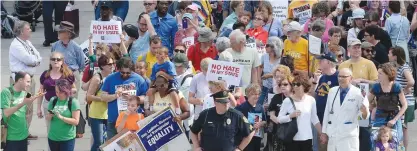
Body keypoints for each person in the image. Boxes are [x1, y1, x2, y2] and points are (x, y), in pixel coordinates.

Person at [338, 39, 377, 151]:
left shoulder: (369, 64)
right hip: (347, 105)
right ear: (348, 49)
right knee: (348, 134)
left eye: (358, 47)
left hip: (364, 104)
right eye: (354, 47)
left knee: (364, 134)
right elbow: (339, 83)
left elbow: (376, 83)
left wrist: (363, 81)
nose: (357, 49)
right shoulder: (343, 65)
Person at [321, 68, 370, 151]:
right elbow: (327, 112)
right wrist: (324, 132)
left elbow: (364, 118)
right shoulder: (332, 91)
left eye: (344, 77)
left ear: (351, 78)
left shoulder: (359, 93)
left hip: (348, 136)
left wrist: (365, 112)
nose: (340, 79)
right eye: (339, 76)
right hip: (333, 135)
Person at [100, 57, 149, 140]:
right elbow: (102, 97)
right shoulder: (110, 79)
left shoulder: (139, 80)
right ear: (118, 69)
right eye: (122, 72)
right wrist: (115, 96)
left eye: (128, 73)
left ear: (132, 70)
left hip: (133, 121)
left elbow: (146, 98)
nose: (125, 75)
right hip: (114, 120)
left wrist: (135, 98)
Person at [190, 90, 255, 151]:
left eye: (227, 101)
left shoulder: (236, 115)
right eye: (223, 102)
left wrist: (240, 149)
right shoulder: (205, 114)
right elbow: (193, 131)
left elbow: (251, 132)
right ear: (215, 102)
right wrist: (197, 147)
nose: (226, 104)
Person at [9, 21, 42, 140]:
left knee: (28, 107)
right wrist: (35, 61)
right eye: (28, 29)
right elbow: (29, 60)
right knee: (19, 107)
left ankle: (25, 132)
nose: (31, 30)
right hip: (20, 81)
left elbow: (38, 56)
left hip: (29, 79)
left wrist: (35, 61)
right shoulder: (16, 45)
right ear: (21, 31)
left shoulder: (27, 42)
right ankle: (19, 134)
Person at [277, 72, 322, 151]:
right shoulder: (287, 101)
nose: (295, 86)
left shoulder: (311, 100)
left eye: (298, 84)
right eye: (293, 84)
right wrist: (290, 116)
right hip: (292, 139)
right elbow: (279, 119)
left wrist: (322, 133)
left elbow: (314, 119)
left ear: (304, 86)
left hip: (307, 138)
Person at [1, 72, 45, 151]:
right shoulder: (6, 92)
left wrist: (34, 98)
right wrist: (23, 103)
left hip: (23, 136)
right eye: (28, 81)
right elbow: (6, 113)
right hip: (11, 137)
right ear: (20, 80)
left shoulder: (25, 93)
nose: (29, 84)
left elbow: (27, 107)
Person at [368, 63, 408, 147]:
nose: (377, 75)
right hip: (379, 117)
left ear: (387, 74)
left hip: (394, 117)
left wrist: (395, 119)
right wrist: (371, 107)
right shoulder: (376, 87)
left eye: (380, 73)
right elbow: (366, 101)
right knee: (376, 141)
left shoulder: (396, 86)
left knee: (394, 142)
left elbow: (404, 105)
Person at [36, 52, 76, 138]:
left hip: (63, 105)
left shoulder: (67, 74)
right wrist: (38, 108)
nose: (56, 61)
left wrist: (70, 92)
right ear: (50, 61)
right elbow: (41, 91)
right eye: (53, 59)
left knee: (63, 126)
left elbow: (74, 88)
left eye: (58, 59)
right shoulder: (45, 74)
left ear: (62, 61)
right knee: (50, 128)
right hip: (48, 104)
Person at [389, 46, 415, 151]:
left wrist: (403, 91)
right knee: (402, 128)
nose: (388, 55)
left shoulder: (404, 67)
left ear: (395, 56)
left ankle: (403, 149)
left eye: (390, 54)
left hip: (406, 102)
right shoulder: (397, 67)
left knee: (403, 128)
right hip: (400, 101)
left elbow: (411, 81)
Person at [86, 54, 114, 151]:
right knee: (98, 141)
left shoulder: (111, 77)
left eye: (113, 63)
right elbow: (88, 96)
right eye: (109, 64)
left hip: (108, 113)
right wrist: (102, 98)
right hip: (96, 114)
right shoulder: (97, 78)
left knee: (106, 141)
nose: (112, 65)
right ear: (102, 66)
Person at [51, 21, 84, 99]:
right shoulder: (55, 45)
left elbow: (81, 64)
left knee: (72, 99)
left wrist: (73, 73)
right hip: (58, 74)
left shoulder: (76, 47)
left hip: (72, 73)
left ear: (68, 34)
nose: (58, 33)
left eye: (61, 31)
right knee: (59, 98)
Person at [46, 79, 81, 151]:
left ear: (66, 91)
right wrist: (50, 116)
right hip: (53, 137)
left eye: (60, 92)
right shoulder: (53, 100)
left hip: (67, 138)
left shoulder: (73, 102)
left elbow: (76, 121)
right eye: (56, 92)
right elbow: (48, 118)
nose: (58, 94)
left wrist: (61, 117)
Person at [147, 47, 180, 115]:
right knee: (150, 91)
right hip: (159, 84)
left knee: (173, 93)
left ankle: (177, 108)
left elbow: (172, 77)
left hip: (170, 83)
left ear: (166, 56)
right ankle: (151, 108)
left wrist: (162, 73)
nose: (157, 55)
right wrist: (150, 87)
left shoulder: (169, 64)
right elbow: (153, 79)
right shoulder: (155, 66)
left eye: (160, 53)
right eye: (156, 53)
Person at [235, 84, 267, 151]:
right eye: (254, 94)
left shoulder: (260, 107)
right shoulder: (241, 108)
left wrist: (260, 124)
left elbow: (265, 121)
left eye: (258, 94)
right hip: (245, 139)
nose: (257, 96)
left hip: (257, 138)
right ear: (248, 94)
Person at [267, 75, 293, 151]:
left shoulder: (296, 98)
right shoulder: (276, 97)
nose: (282, 86)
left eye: (285, 84)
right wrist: (281, 121)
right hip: (278, 132)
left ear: (291, 85)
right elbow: (272, 116)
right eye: (280, 84)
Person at [172, 53, 194, 137]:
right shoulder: (172, 75)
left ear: (185, 66)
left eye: (180, 66)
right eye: (175, 66)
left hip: (185, 115)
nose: (177, 68)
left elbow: (180, 98)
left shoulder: (188, 79)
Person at [259, 37, 283, 105]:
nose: (265, 47)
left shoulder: (281, 59)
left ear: (273, 47)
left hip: (277, 89)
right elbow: (260, 68)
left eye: (267, 45)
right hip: (265, 87)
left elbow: (284, 74)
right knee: (258, 106)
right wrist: (259, 80)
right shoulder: (264, 57)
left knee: (270, 109)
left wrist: (270, 75)